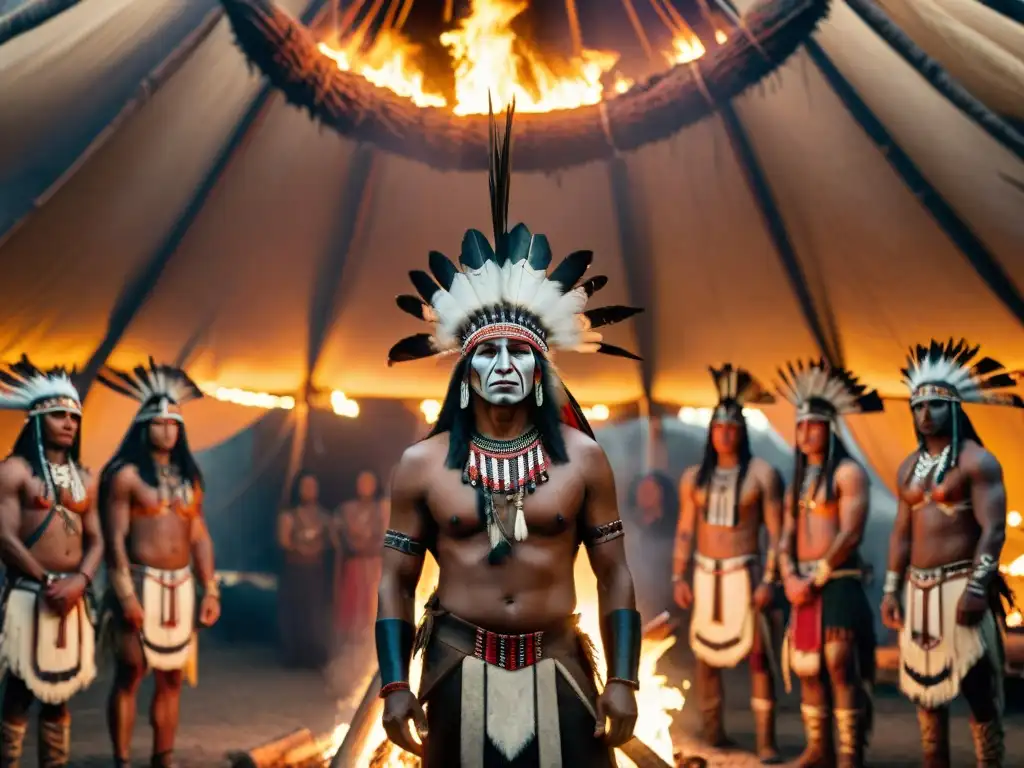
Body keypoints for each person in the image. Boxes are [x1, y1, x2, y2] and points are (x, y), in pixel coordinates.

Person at [375, 100, 644, 766]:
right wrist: (393, 685)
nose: (503, 366)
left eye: (519, 352)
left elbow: (614, 573)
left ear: (539, 366)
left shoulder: (582, 460)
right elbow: (395, 580)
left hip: (560, 664)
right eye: (487, 353)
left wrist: (624, 679)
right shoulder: (421, 464)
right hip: (456, 665)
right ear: (464, 370)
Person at [880, 339, 1017, 767]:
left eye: (934, 406)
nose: (924, 415)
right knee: (924, 690)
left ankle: (988, 762)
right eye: (917, 406)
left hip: (960, 585)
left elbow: (993, 531)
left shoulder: (978, 462)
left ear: (954, 408)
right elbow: (901, 533)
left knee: (977, 686)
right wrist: (890, 588)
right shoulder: (908, 467)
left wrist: (977, 588)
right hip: (918, 590)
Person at [96, 360, 220, 768]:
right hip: (139, 582)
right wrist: (125, 595)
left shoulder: (189, 478)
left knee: (172, 679)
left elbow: (199, 536)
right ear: (144, 425)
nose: (168, 430)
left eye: (175, 424)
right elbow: (113, 540)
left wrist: (210, 589)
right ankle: (122, 761)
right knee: (131, 672)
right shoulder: (125, 476)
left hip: (180, 586)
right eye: (160, 423)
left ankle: (162, 759)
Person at [672, 364, 783, 763]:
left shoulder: (762, 475)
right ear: (710, 431)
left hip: (745, 572)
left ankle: (766, 741)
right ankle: (712, 731)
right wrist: (678, 575)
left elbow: (776, 532)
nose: (724, 433)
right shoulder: (694, 478)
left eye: (732, 426)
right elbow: (685, 530)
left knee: (759, 657)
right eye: (718, 426)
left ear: (742, 431)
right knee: (705, 656)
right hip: (705, 574)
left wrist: (769, 579)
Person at [775, 359, 883, 768]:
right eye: (800, 425)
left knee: (839, 663)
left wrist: (814, 578)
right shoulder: (800, 477)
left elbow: (850, 534)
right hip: (801, 582)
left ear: (830, 427)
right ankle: (819, 749)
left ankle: (850, 754)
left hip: (836, 580)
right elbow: (785, 535)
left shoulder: (849, 473)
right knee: (806, 667)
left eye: (814, 424)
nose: (805, 433)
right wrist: (787, 575)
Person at [0, 357, 103, 767]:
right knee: (21, 690)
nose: (68, 423)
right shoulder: (14, 471)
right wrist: (46, 580)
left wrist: (80, 580)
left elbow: (97, 540)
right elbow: (4, 538)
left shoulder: (86, 477)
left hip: (72, 595)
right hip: (31, 592)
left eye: (74, 417)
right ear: (38, 419)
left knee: (59, 694)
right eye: (59, 414)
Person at [277, 470, 330, 667]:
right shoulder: (289, 516)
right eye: (305, 486)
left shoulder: (323, 516)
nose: (309, 490)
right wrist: (303, 548)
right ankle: (293, 656)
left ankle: (313, 656)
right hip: (295, 570)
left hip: (315, 571)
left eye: (312, 486)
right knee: (294, 612)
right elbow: (284, 542)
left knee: (313, 613)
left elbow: (329, 541)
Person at [332, 470, 386, 649]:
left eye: (369, 482)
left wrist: (373, 546)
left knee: (372, 608)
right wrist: (345, 545)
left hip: (374, 565)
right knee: (352, 609)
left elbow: (387, 536)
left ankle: (371, 650)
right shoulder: (346, 509)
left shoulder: (382, 508)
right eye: (362, 482)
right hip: (354, 564)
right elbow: (333, 531)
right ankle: (349, 651)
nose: (365, 486)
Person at [623, 471, 677, 622]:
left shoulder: (672, 534)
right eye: (642, 489)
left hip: (663, 612)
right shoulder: (627, 528)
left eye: (651, 489)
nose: (644, 493)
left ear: (663, 495)